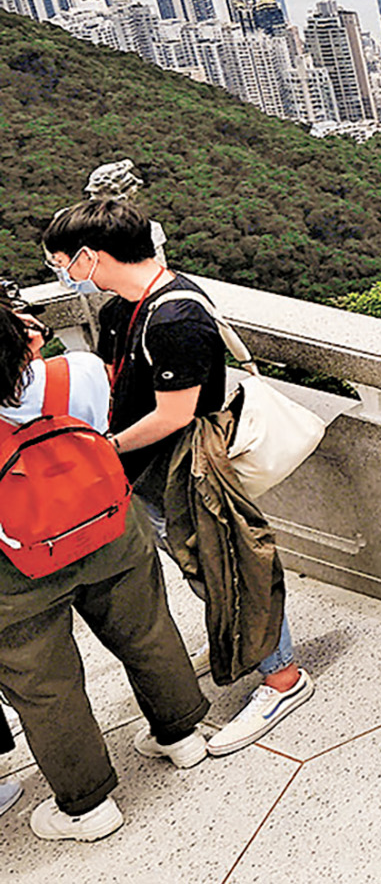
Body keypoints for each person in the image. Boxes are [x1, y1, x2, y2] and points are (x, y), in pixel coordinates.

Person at [41, 198, 315, 755]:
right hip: (148, 471)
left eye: (62, 262)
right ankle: (239, 643)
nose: (63, 275)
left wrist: (104, 448)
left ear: (91, 257)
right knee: (200, 564)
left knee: (229, 564)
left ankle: (282, 676)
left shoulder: (175, 317)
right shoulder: (124, 306)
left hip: (187, 466)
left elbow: (174, 414)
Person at [0, 294, 209, 843]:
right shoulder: (81, 372)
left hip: (17, 566)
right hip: (107, 524)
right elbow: (98, 429)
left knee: (45, 684)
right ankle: (182, 734)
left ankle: (88, 806)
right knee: (146, 631)